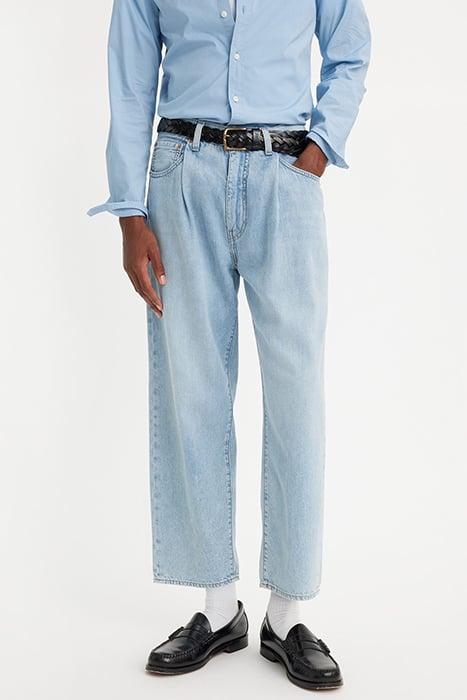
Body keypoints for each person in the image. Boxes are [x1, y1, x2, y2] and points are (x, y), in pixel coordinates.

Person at [88, 0, 370, 690]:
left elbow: (350, 49)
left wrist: (319, 148)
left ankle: (288, 613)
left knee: (296, 396)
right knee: (193, 391)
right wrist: (128, 211)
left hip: (285, 174)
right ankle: (218, 607)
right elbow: (131, 80)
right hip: (181, 176)